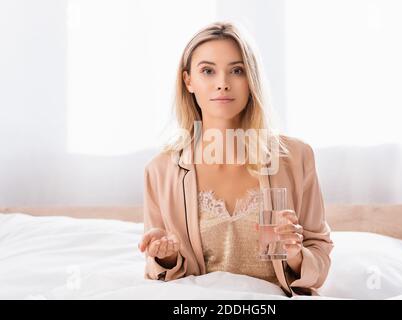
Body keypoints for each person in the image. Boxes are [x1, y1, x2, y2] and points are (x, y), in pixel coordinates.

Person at [138, 21, 333, 297]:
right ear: (188, 81)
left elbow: (320, 253)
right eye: (208, 71)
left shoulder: (296, 157)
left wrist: (295, 254)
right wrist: (164, 256)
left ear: (251, 79)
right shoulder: (159, 171)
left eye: (237, 70)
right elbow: (158, 271)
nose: (222, 84)